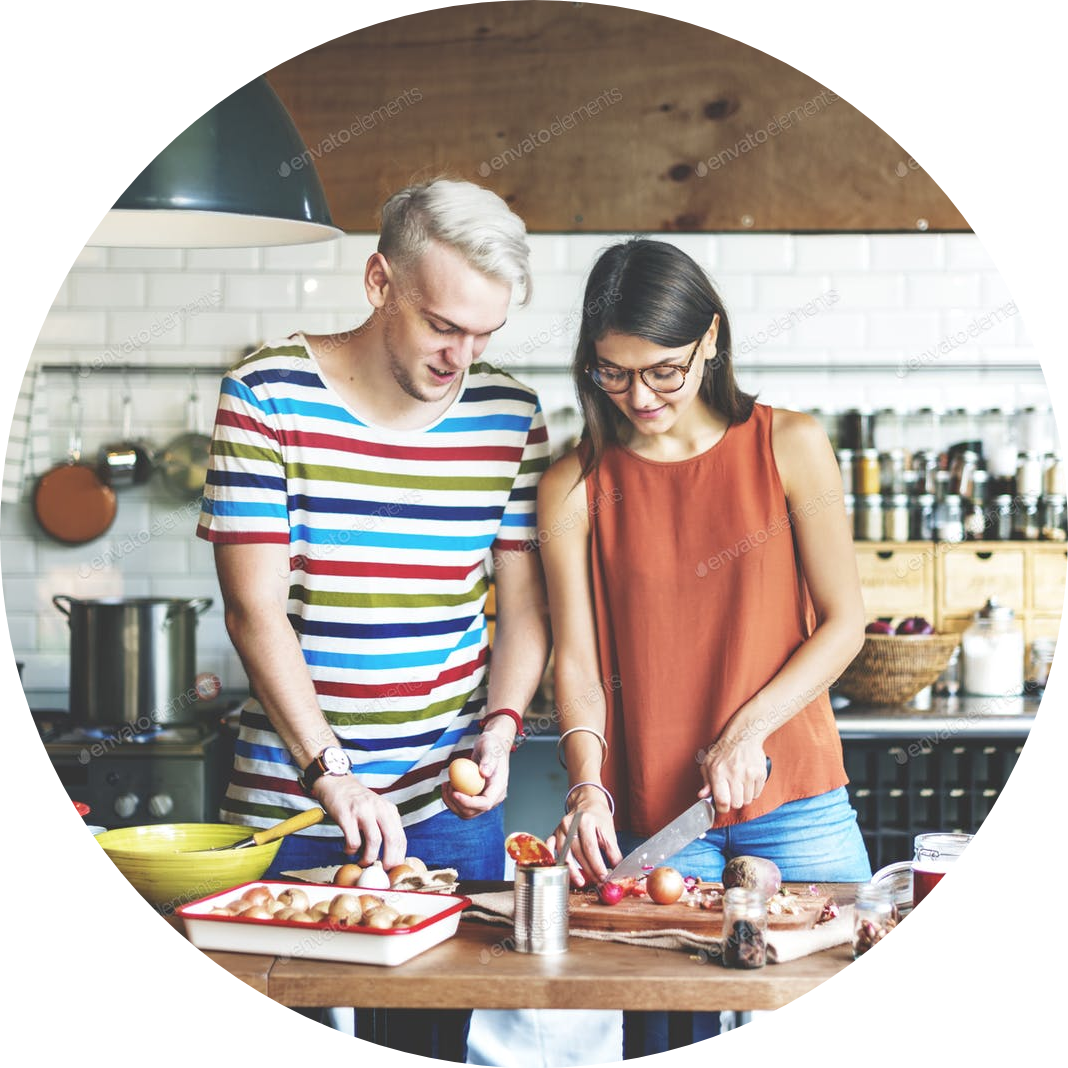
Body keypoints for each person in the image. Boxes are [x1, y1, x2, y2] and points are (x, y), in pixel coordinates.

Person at [197, 177, 559, 1059]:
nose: (459, 358)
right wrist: (330, 770)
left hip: (449, 805)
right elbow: (254, 614)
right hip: (292, 808)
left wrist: (503, 731)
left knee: (434, 1047)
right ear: (378, 282)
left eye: (483, 334)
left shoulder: (508, 416)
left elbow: (525, 613)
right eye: (442, 325)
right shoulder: (265, 393)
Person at [538, 238, 873, 1053]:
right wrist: (587, 786)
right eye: (611, 373)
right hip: (653, 818)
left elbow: (845, 622)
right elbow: (575, 665)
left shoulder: (788, 445)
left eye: (662, 370)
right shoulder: (572, 485)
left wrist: (747, 730)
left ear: (711, 339)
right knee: (661, 1037)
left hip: (795, 804)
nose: (638, 395)